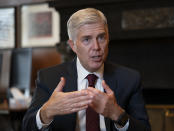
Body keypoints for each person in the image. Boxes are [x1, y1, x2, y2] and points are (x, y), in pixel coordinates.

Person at [22, 8, 150, 131]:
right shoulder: (49, 77)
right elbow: (26, 127)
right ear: (73, 45)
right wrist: (47, 111)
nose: (96, 47)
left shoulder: (129, 79)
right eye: (87, 39)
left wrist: (118, 114)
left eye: (101, 37)